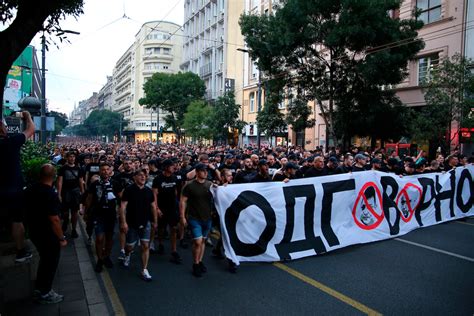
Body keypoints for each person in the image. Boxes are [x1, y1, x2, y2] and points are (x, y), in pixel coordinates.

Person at [25, 164, 67, 304]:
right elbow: (54, 219)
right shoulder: (50, 193)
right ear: (54, 177)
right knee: (50, 263)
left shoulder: (30, 189)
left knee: (44, 261)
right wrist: (61, 237)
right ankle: (46, 292)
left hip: (33, 231)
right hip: (48, 234)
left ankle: (39, 288)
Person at [0, 111, 35, 263]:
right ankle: (20, 251)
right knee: (17, 220)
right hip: (13, 190)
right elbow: (31, 130)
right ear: (2, 130)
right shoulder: (11, 142)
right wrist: (27, 116)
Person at [119, 169, 157, 281]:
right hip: (132, 223)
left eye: (144, 175)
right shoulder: (129, 190)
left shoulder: (148, 191)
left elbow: (153, 206)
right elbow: (123, 207)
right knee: (130, 246)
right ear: (134, 177)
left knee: (145, 245)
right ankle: (127, 255)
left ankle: (144, 269)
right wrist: (124, 222)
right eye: (140, 175)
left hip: (146, 222)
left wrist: (155, 221)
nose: (143, 177)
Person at [180, 163, 214, 278]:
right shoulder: (189, 186)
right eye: (203, 171)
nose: (206, 173)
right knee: (197, 242)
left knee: (203, 241)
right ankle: (195, 264)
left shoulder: (210, 184)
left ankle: (199, 261)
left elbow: (221, 192)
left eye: (206, 171)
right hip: (194, 218)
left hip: (207, 218)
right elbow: (183, 201)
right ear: (197, 172)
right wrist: (182, 216)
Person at [85, 163, 119, 272]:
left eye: (107, 169)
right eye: (102, 170)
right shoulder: (95, 184)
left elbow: (121, 198)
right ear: (99, 172)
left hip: (111, 215)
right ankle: (99, 259)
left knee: (109, 238)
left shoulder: (115, 183)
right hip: (98, 214)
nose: (105, 171)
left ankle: (107, 256)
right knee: (99, 238)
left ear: (110, 171)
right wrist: (86, 212)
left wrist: (120, 212)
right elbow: (89, 198)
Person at [152, 159, 182, 263]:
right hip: (161, 207)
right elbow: (154, 194)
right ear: (165, 167)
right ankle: (160, 243)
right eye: (172, 166)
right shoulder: (158, 179)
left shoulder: (175, 178)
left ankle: (174, 250)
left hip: (172, 207)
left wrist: (178, 206)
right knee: (161, 228)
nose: (174, 167)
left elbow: (176, 192)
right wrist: (157, 208)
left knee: (174, 228)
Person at [57, 151, 85, 238]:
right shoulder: (63, 169)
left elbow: (80, 181)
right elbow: (60, 182)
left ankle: (73, 229)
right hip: (65, 192)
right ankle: (65, 222)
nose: (72, 158)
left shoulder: (78, 169)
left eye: (73, 157)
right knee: (65, 213)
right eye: (70, 157)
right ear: (67, 158)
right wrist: (59, 194)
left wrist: (82, 192)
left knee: (74, 212)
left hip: (75, 192)